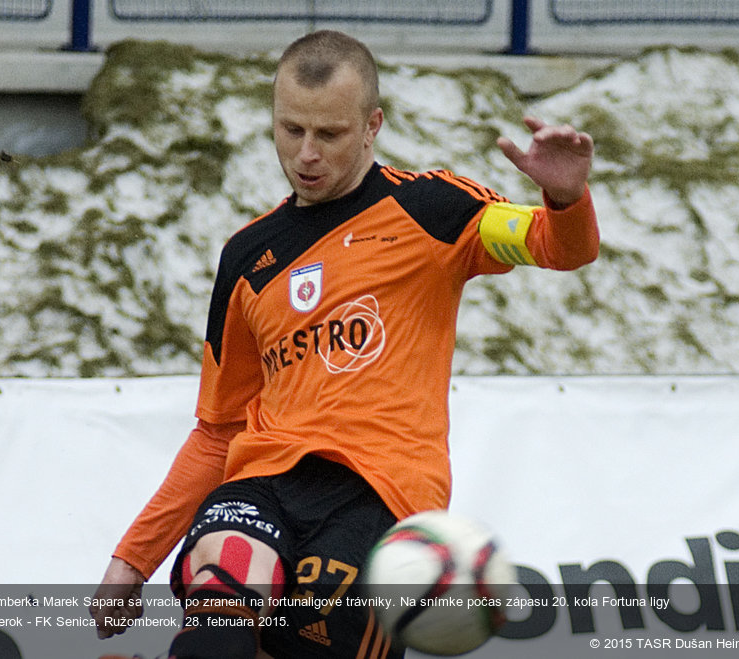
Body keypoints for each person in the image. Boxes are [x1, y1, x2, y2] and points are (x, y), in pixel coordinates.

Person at [90, 29, 599, 658]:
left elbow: (556, 246)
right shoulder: (248, 256)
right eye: (290, 130)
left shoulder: (435, 208)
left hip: (378, 500)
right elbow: (218, 432)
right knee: (214, 630)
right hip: (263, 484)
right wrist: (132, 560)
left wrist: (566, 197)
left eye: (328, 134)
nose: (306, 153)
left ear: (371, 125)